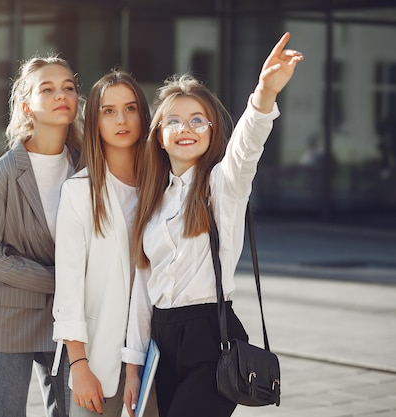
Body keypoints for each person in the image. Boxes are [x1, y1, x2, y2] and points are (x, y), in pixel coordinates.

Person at [121, 32, 304, 417]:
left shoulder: (222, 186)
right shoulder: (151, 201)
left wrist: (264, 95)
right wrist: (133, 364)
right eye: (174, 120)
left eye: (197, 120)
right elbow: (142, 291)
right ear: (159, 135)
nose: (186, 128)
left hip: (211, 338)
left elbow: (246, 148)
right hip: (162, 339)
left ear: (212, 131)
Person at [0, 54, 84, 417]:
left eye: (68, 87)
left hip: (68, 319)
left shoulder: (86, 166)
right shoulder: (3, 174)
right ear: (27, 106)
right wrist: (53, 280)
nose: (60, 94)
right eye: (46, 89)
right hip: (8, 319)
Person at [52, 69, 157, 417]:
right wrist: (78, 365)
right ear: (94, 121)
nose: (121, 119)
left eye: (129, 108)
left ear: (143, 115)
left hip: (158, 357)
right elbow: (68, 290)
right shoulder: (79, 192)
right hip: (97, 364)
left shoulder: (163, 188)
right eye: (108, 111)